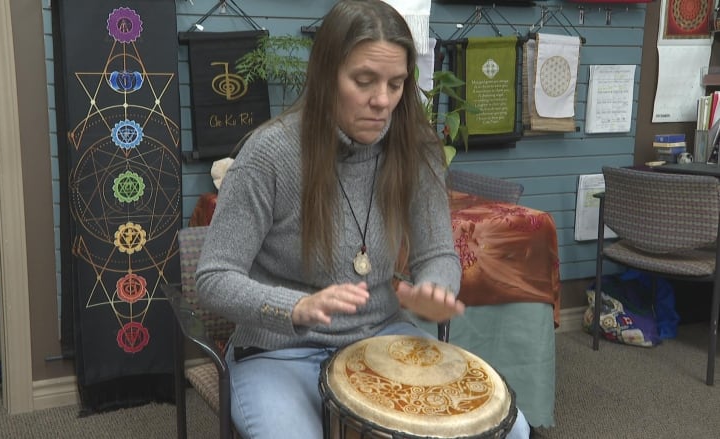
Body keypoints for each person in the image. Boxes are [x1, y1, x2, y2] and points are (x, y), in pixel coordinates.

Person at [195, 1, 530, 437]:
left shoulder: (416, 148)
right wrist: (295, 307)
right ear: (326, 75)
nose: (382, 101)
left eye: (396, 84)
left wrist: (435, 287)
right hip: (279, 350)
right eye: (364, 81)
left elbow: (438, 255)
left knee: (512, 431)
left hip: (382, 339)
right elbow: (213, 277)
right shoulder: (270, 154)